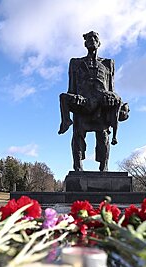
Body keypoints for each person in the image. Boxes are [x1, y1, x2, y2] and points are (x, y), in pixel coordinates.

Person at [59, 31, 129, 171]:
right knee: (78, 133)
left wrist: (112, 98)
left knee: (103, 136)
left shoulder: (108, 63)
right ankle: (77, 165)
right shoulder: (75, 63)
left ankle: (104, 167)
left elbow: (111, 88)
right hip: (83, 102)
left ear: (99, 43)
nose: (92, 40)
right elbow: (71, 87)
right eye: (89, 38)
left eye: (95, 38)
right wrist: (75, 97)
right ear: (85, 43)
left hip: (101, 105)